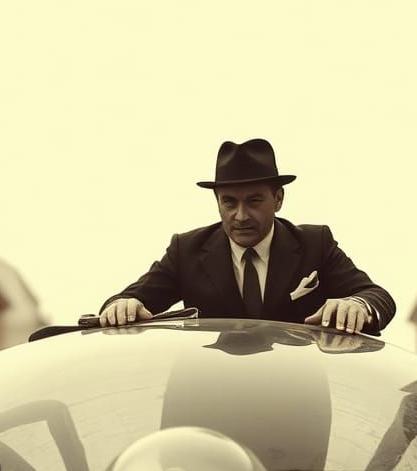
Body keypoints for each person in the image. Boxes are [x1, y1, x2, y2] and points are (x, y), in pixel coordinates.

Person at [98, 138, 395, 333]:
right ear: (217, 202)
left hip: (297, 404)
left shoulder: (315, 244)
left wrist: (356, 306)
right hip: (204, 402)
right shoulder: (185, 250)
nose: (240, 216)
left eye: (254, 201)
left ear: (278, 199)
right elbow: (122, 302)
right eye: (229, 203)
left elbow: (378, 297)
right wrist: (124, 305)